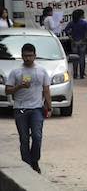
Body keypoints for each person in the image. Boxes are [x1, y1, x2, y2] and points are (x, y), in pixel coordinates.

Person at [6, 43, 51, 173]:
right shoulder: (16, 72)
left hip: (37, 108)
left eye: (30, 56)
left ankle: (35, 161)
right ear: (21, 56)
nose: (28, 58)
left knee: (37, 136)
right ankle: (27, 165)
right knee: (24, 138)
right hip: (20, 108)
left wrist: (49, 106)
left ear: (35, 55)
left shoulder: (41, 71)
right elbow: (8, 90)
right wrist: (19, 86)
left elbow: (46, 90)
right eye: (25, 56)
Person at [64, 9, 87, 79]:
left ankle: (75, 74)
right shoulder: (84, 23)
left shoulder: (72, 23)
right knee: (82, 58)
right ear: (81, 15)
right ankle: (82, 74)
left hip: (74, 42)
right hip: (82, 42)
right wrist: (85, 37)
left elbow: (66, 30)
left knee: (75, 58)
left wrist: (70, 37)